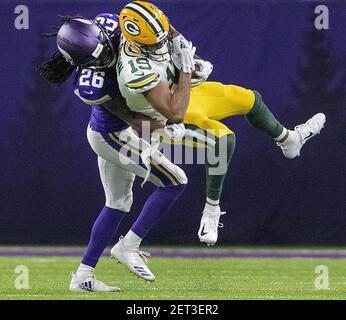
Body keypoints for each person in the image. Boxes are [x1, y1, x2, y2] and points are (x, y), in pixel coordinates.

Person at [117, 1, 326, 248]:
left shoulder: (140, 27)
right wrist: (185, 70)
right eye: (156, 40)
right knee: (224, 138)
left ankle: (289, 140)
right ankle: (211, 210)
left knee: (248, 99)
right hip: (162, 120)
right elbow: (175, 112)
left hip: (177, 95)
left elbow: (170, 34)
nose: (163, 42)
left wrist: (193, 59)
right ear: (138, 43)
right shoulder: (135, 70)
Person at [39, 13, 195, 291]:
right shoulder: (90, 84)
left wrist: (179, 42)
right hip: (114, 135)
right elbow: (133, 119)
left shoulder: (112, 24)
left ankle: (83, 276)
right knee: (174, 180)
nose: (103, 60)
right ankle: (129, 245)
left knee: (118, 203)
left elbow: (157, 24)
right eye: (95, 60)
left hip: (113, 132)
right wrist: (164, 126)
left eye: (104, 52)